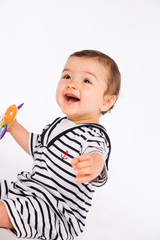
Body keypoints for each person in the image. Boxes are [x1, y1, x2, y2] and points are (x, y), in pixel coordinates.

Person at [0, 50, 121, 240]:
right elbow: (37, 147)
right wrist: (14, 127)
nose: (72, 83)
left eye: (86, 81)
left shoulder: (95, 135)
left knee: (8, 211)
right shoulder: (58, 124)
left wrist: (93, 164)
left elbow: (98, 156)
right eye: (67, 76)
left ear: (106, 101)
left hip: (54, 212)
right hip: (27, 189)